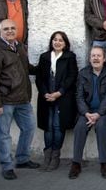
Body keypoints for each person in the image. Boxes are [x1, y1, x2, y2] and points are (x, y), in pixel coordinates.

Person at [0, 19, 40, 180]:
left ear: (17, 30)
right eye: (6, 29)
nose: (10, 31)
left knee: (29, 128)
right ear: (0, 31)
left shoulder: (19, 46)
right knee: (3, 135)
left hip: (23, 98)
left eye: (12, 28)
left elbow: (26, 68)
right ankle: (7, 166)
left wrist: (44, 66)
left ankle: (22, 159)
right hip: (5, 101)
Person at [68, 46, 106, 179]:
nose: (95, 58)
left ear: (104, 59)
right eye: (93, 56)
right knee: (80, 127)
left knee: (101, 127)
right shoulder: (83, 73)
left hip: (102, 113)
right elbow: (79, 96)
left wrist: (99, 114)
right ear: (89, 58)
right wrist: (86, 113)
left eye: (99, 56)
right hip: (86, 112)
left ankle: (104, 163)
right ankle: (76, 163)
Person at [35, 31, 78, 171]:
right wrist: (45, 93)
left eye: (61, 40)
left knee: (58, 126)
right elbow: (39, 78)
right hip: (46, 98)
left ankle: (55, 156)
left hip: (63, 98)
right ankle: (47, 155)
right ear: (51, 42)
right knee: (48, 126)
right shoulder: (44, 57)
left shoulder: (70, 57)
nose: (57, 42)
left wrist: (59, 93)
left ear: (65, 43)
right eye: (55, 39)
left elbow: (72, 77)